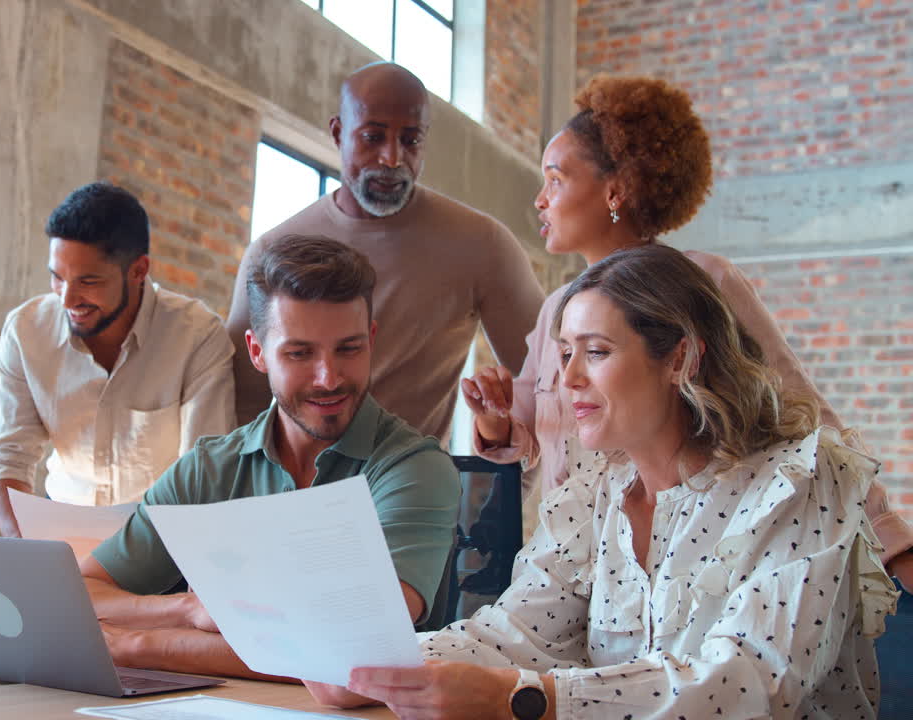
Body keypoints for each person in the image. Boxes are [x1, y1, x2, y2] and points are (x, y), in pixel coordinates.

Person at [324, 245, 900, 718]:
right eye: (566, 352)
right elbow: (513, 633)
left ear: (679, 359)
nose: (569, 377)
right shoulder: (593, 493)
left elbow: (748, 683)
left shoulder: (800, 483)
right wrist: (372, 665)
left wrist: (524, 699)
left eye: (596, 352)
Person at [463, 74, 913, 586]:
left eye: (555, 179)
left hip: (684, 572)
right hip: (573, 576)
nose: (540, 200)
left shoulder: (705, 282)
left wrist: (891, 542)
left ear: (617, 189)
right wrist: (496, 422)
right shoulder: (556, 314)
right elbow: (528, 439)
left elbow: (808, 423)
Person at [81, 234, 461, 680]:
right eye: (300, 353)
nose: (328, 377)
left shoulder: (415, 468)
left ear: (372, 340)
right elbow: (81, 593)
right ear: (257, 352)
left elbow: (357, 647)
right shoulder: (208, 469)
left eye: (349, 348)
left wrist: (141, 643)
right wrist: (188, 610)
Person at [227, 62, 544, 443]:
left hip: (414, 492)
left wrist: (501, 479)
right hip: (294, 493)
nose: (392, 158)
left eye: (410, 141)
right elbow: (240, 407)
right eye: (372, 137)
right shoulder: (269, 252)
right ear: (338, 133)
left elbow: (548, 382)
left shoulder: (482, 245)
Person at [0, 182, 235, 537]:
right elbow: (9, 458)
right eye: (57, 277)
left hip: (160, 545)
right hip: (60, 532)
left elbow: (204, 477)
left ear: (138, 270)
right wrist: (26, 551)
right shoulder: (26, 331)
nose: (68, 299)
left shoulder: (197, 336)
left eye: (88, 281)